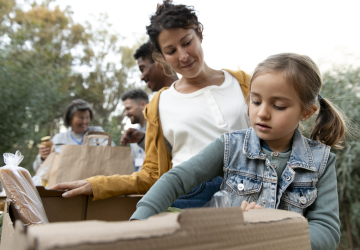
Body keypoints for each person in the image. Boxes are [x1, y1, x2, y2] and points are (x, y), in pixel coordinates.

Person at [130, 53, 346, 250]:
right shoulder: (230, 146)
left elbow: (327, 230)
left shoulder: (322, 162)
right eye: (255, 101)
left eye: (278, 106)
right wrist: (139, 222)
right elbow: (177, 179)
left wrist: (277, 229)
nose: (262, 113)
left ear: (306, 112)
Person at [50, 2, 250, 209]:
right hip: (190, 195)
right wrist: (98, 184)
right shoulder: (160, 104)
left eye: (187, 42)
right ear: (162, 56)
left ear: (199, 33)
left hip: (251, 192)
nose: (183, 56)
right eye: (171, 50)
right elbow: (153, 174)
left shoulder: (245, 84)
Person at [120, 41, 177, 148]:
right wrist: (143, 138)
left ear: (160, 60)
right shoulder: (157, 105)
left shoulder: (188, 94)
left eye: (143, 69)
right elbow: (170, 148)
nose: (142, 77)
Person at [33, 99, 114, 172]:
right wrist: (43, 158)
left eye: (87, 117)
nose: (85, 121)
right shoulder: (58, 139)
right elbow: (36, 168)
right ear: (70, 118)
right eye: (80, 118)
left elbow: (113, 153)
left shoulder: (97, 133)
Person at [121, 89, 149, 172]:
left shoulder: (158, 127)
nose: (126, 113)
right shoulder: (134, 133)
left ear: (143, 105)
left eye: (128, 109)